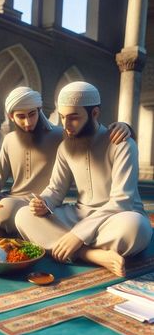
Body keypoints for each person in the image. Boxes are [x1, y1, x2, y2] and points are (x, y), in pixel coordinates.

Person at [0, 86, 131, 238]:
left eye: (32, 114)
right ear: (11, 116)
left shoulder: (61, 134)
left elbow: (89, 128)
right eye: (21, 116)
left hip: (33, 203)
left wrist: (125, 127)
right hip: (7, 197)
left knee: (9, 209)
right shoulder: (9, 139)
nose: (28, 122)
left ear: (39, 110)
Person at [15, 82, 153, 276]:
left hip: (116, 217)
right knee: (23, 216)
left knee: (137, 228)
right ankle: (90, 254)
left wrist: (77, 235)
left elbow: (121, 201)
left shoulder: (121, 144)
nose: (66, 125)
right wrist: (43, 202)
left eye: (73, 118)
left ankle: (68, 246)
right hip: (79, 215)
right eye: (62, 117)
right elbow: (55, 189)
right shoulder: (65, 147)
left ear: (94, 113)